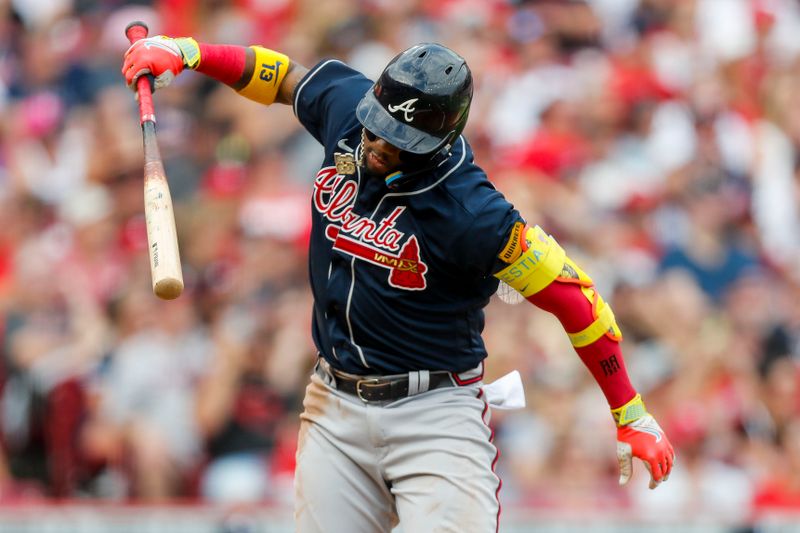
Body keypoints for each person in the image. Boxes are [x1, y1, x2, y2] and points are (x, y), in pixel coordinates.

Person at [122, 34, 675, 531]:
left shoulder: (476, 215)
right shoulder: (352, 113)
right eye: (377, 126)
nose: (376, 144)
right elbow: (283, 78)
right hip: (334, 404)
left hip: (434, 415)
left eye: (398, 139)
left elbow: (575, 300)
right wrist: (190, 54)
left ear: (440, 140)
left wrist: (630, 413)